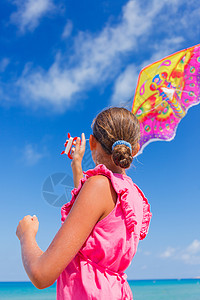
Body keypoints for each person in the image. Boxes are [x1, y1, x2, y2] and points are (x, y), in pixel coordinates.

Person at [16, 107, 152, 300]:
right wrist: (76, 164)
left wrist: (26, 236)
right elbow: (91, 213)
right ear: (136, 149)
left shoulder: (98, 186)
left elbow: (41, 274)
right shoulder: (133, 195)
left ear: (92, 142)